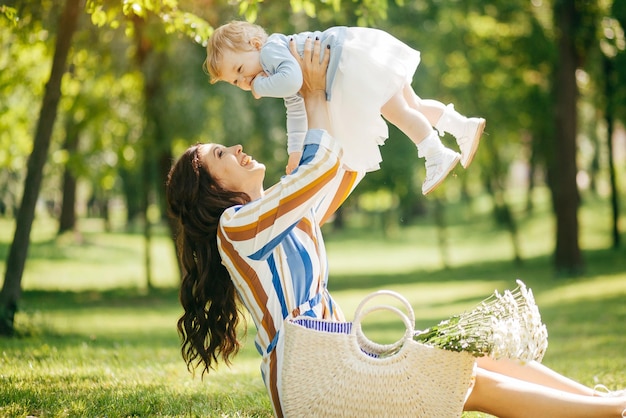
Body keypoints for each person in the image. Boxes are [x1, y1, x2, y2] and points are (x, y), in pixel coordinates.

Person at [167, 38, 625, 417]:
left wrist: (343, 98)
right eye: (221, 155)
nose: (237, 147)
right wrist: (308, 94)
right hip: (310, 380)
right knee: (466, 381)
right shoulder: (237, 226)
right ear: (213, 190)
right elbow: (317, 171)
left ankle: (601, 401)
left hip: (333, 358)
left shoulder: (273, 213)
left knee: (475, 354)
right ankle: (612, 413)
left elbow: (326, 171)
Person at [204, 21, 486, 195]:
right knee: (414, 104)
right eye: (236, 81)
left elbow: (292, 82)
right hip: (355, 56)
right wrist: (294, 151)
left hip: (351, 67)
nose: (244, 81)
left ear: (255, 44)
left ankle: (436, 154)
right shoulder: (276, 66)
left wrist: (259, 88)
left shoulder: (270, 52)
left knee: (398, 112)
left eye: (241, 69)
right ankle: (462, 126)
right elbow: (296, 108)